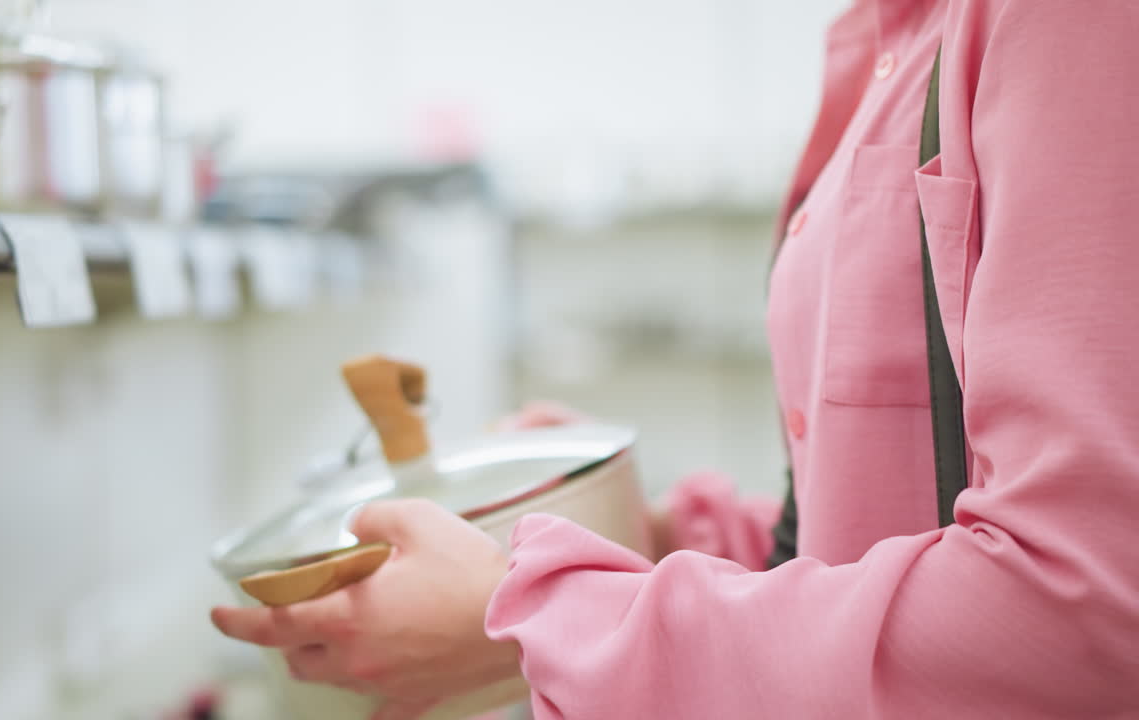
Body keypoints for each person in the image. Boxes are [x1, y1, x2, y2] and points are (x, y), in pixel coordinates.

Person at [211, 1, 1139, 718]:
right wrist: (647, 542)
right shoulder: (888, 38)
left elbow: (1076, 615)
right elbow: (880, 519)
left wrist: (548, 621)